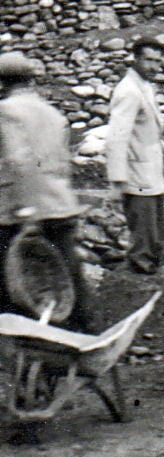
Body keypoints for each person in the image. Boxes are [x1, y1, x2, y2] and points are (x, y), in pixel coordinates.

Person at [0, 52, 94, 330]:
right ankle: (85, 334)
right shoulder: (52, 113)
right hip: (61, 205)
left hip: (22, 211)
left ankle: (16, 342)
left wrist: (27, 213)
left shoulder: (6, 112)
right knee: (68, 276)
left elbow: (18, 161)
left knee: (11, 282)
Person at [105, 34, 164, 273]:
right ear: (134, 59)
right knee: (143, 218)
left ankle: (154, 259)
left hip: (150, 163)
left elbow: (147, 129)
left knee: (155, 219)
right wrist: (117, 178)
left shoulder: (145, 87)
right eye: (149, 60)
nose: (154, 66)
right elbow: (117, 136)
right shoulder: (129, 91)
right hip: (136, 167)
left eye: (158, 61)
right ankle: (142, 266)